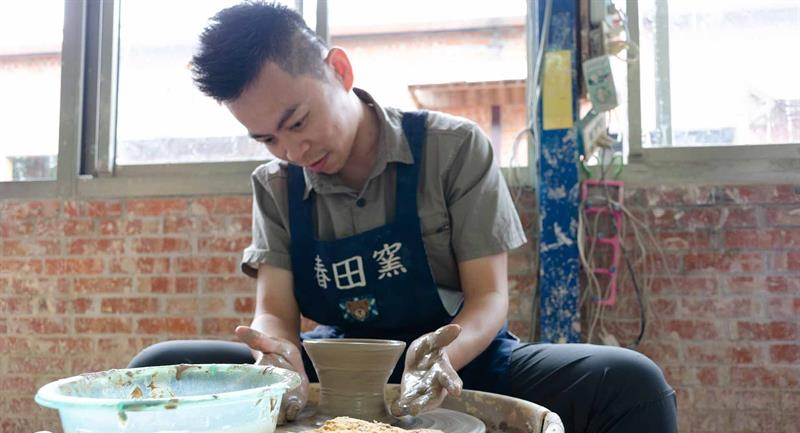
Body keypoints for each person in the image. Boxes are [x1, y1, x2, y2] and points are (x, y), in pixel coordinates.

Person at [128, 2, 678, 432]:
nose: (292, 150)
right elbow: (275, 312)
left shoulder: (453, 148)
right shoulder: (275, 185)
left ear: (338, 70)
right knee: (164, 364)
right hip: (337, 365)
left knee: (629, 382)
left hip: (461, 362)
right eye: (267, 138)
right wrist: (277, 360)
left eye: (297, 121)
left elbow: (488, 298)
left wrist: (440, 362)